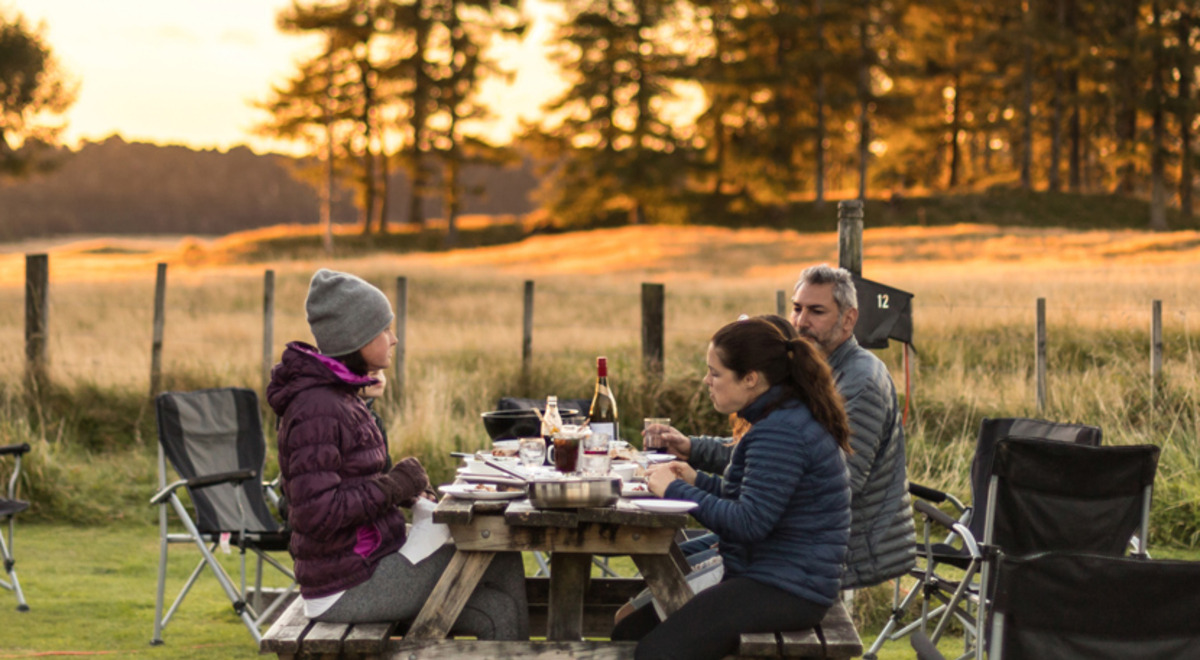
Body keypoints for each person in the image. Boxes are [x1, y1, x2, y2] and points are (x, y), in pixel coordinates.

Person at [267, 268, 528, 638]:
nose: (395, 338)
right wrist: (396, 485)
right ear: (356, 338)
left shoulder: (339, 399)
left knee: (496, 605)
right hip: (346, 584)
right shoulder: (318, 408)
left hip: (368, 561)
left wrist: (404, 491)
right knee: (495, 551)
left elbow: (353, 482)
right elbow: (316, 514)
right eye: (384, 330)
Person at [651, 264, 916, 590]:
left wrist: (708, 493)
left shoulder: (860, 381)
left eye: (816, 311)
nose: (802, 321)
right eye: (797, 308)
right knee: (667, 564)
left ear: (849, 319)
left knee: (676, 582)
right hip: (787, 540)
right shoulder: (810, 370)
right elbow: (773, 455)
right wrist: (694, 449)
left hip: (839, 550)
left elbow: (839, 478)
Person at [613, 317, 852, 660]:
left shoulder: (780, 431)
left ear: (750, 378)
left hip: (788, 587)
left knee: (657, 652)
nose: (706, 381)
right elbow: (755, 500)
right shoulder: (779, 416)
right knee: (631, 628)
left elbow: (749, 522)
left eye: (715, 372)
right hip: (776, 574)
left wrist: (674, 491)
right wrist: (697, 480)